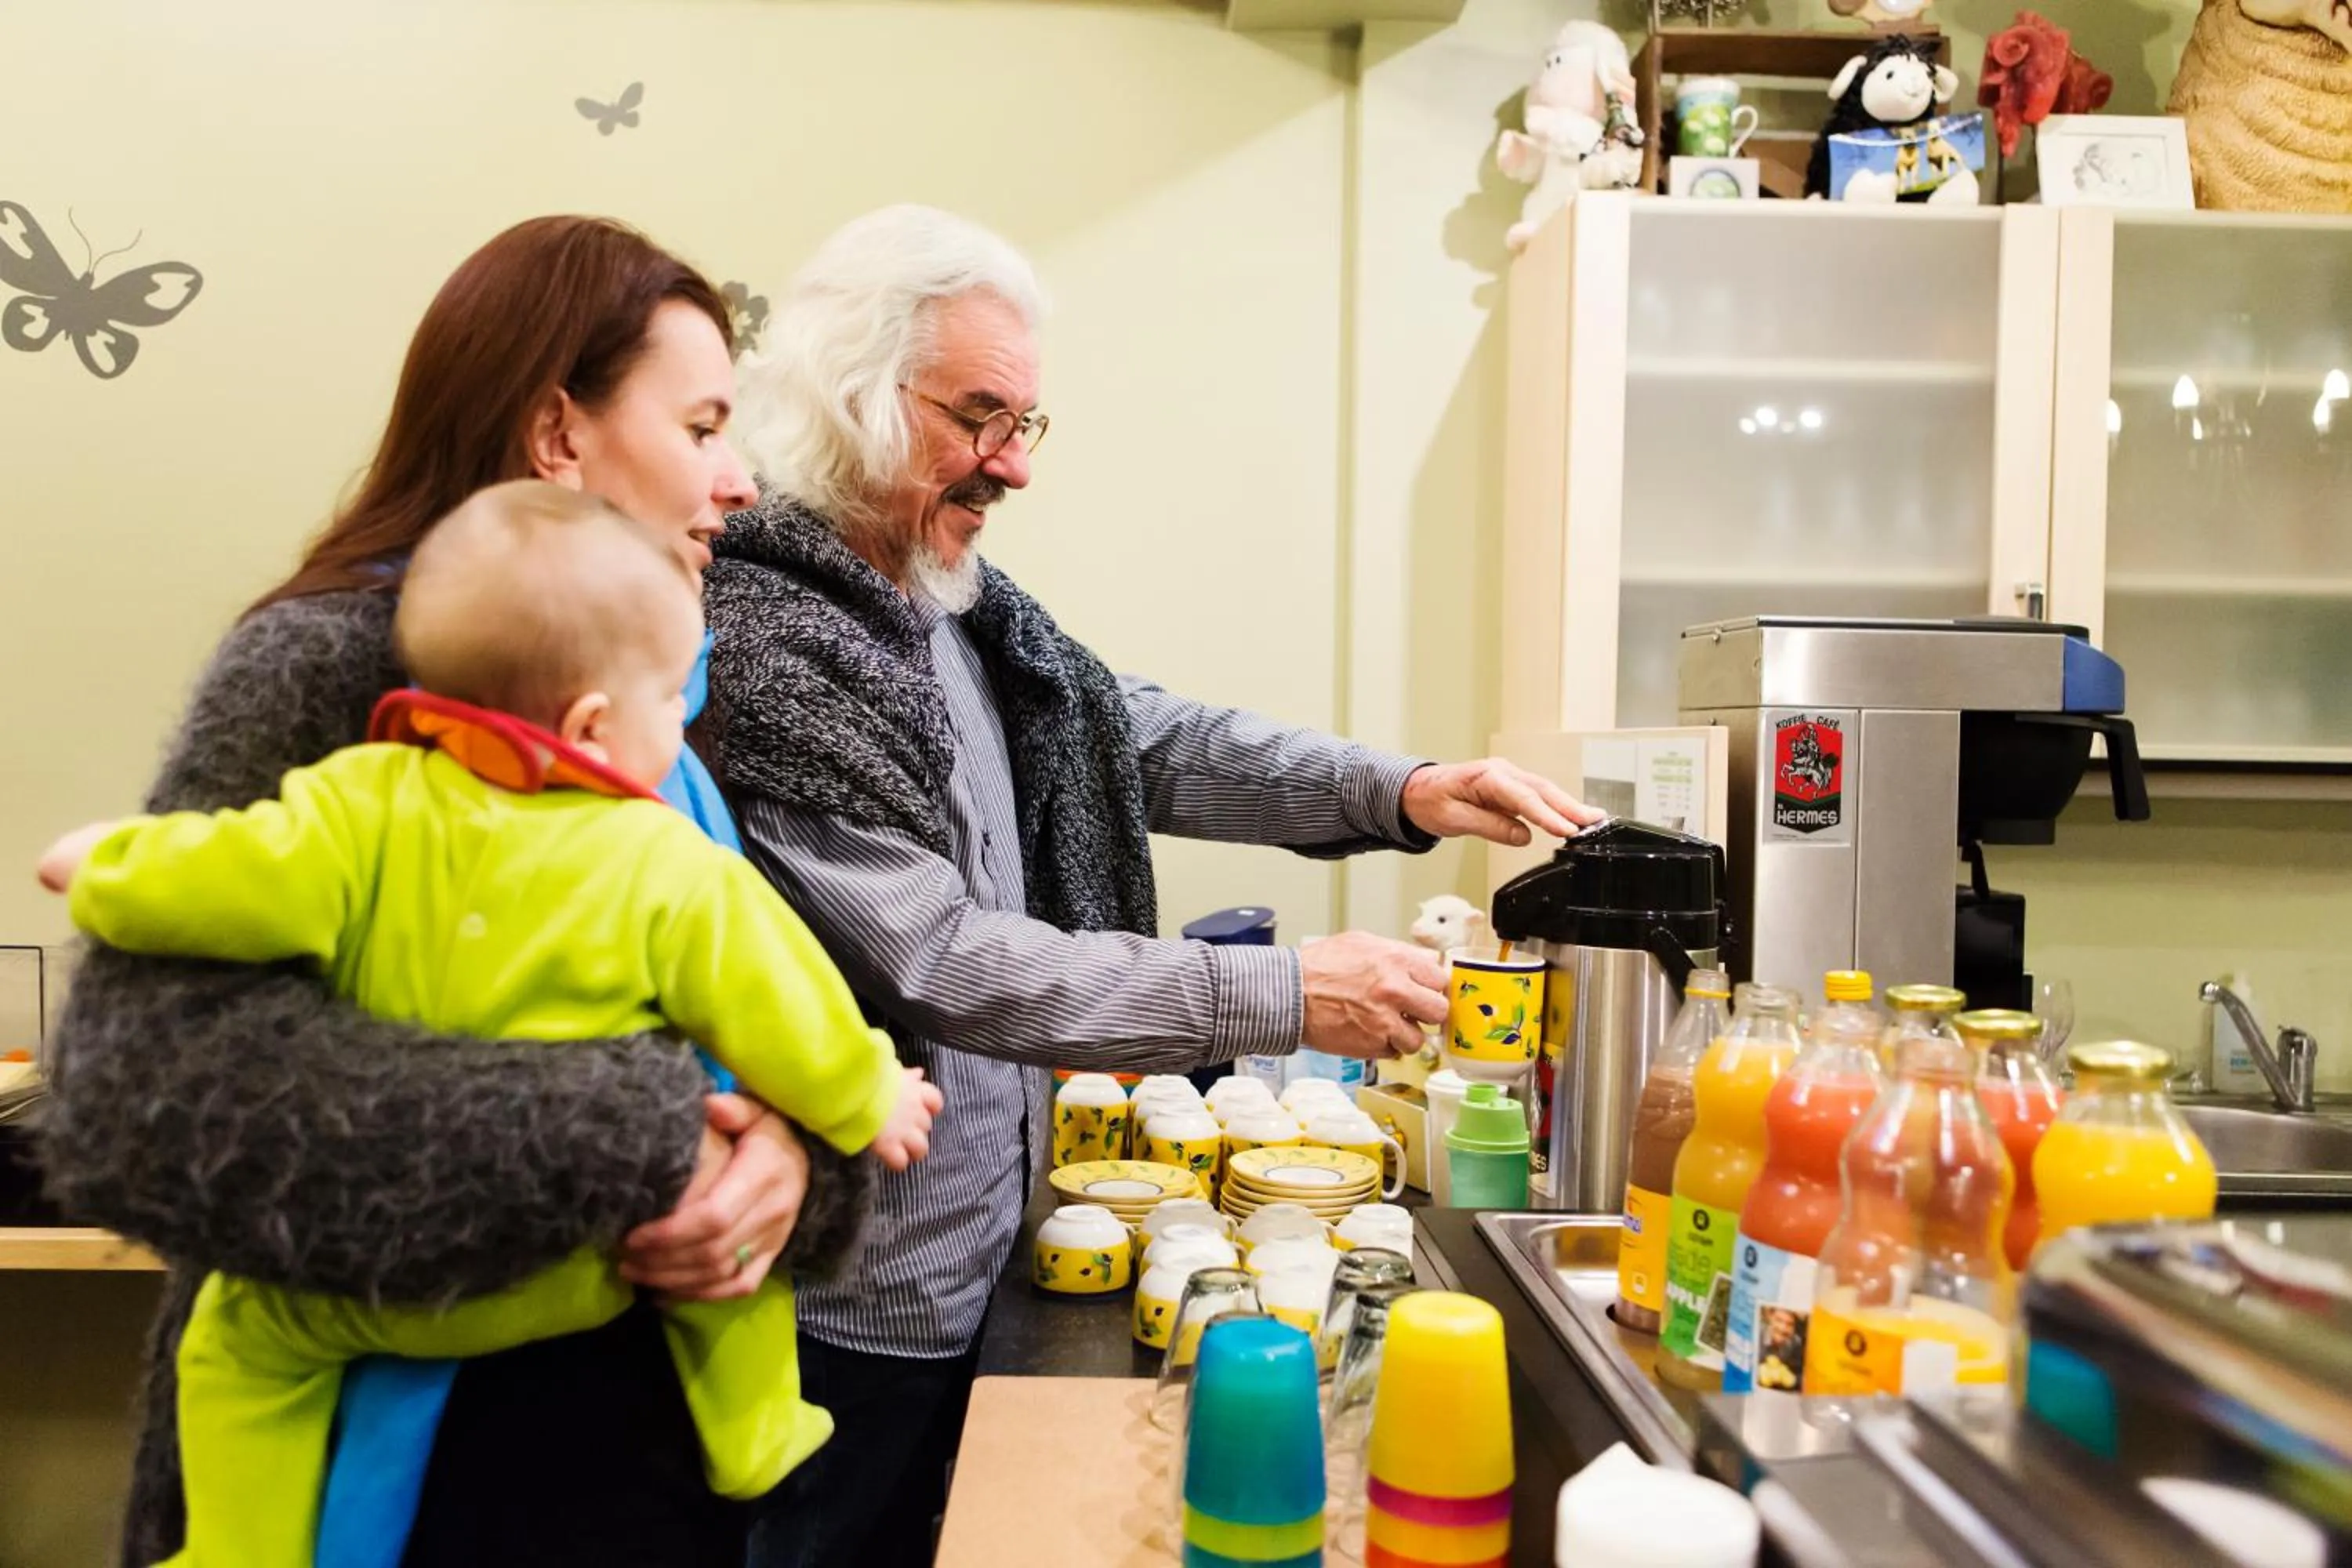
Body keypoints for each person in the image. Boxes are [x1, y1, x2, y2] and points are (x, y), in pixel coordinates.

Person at [699, 203, 1603, 1567]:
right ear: (858, 400)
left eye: (1027, 424)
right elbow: (943, 960)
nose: (1013, 465)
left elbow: (1143, 736)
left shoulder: (952, 609)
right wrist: (1282, 992)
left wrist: (1400, 788)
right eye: (980, 417)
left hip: (974, 1260)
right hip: (844, 1306)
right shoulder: (776, 641)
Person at [38, 217, 862, 1568]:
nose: (741, 483)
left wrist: (789, 1167)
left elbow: (745, 1010)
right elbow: (147, 1093)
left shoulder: (653, 685)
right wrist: (663, 1136)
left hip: (631, 1461)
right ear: (559, 434)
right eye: (705, 426)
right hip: (373, 1483)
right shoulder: (329, 669)